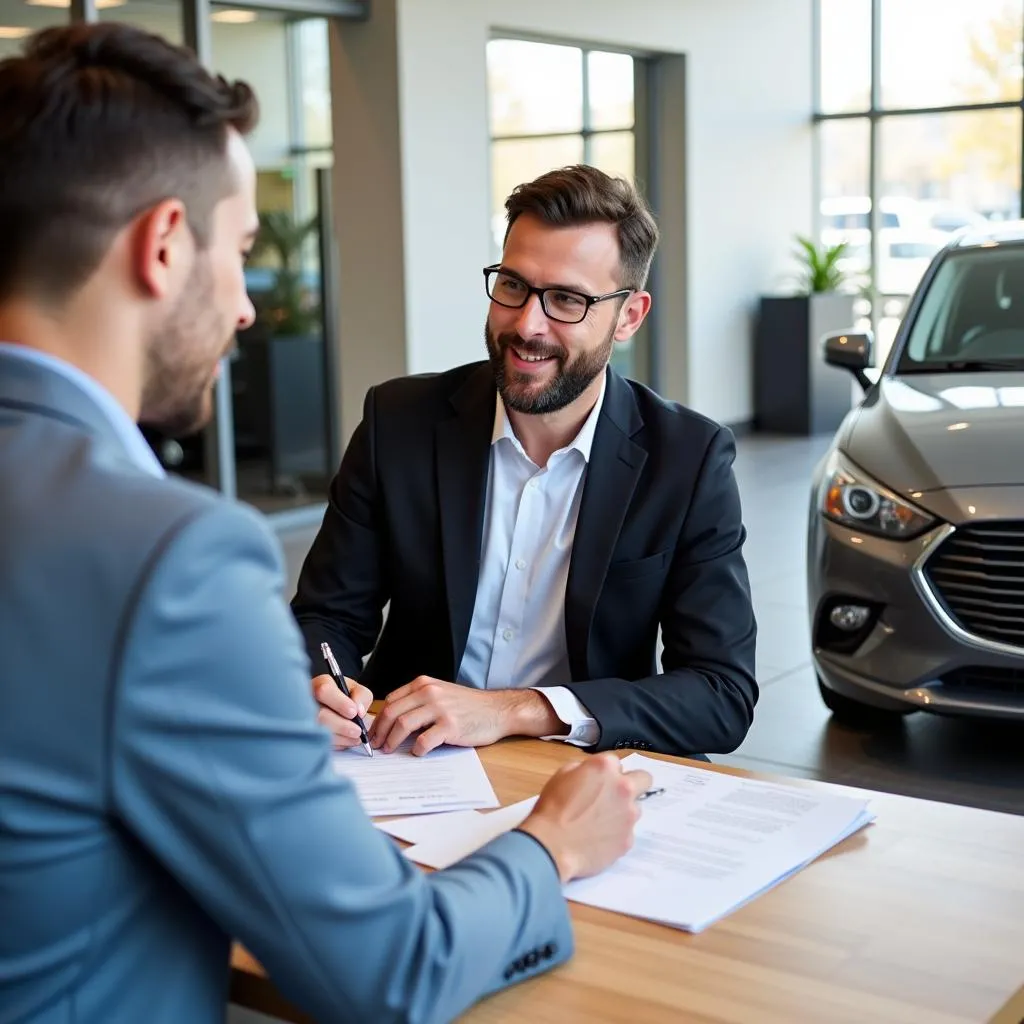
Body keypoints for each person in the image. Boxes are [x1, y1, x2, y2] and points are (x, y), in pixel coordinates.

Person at [0, 25, 653, 1024]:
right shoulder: (167, 561)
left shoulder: (683, 452)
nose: (249, 310)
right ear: (165, 245)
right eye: (244, 253)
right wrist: (552, 842)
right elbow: (391, 972)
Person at [294, 164, 758, 761]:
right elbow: (326, 615)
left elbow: (721, 694)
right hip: (404, 759)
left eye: (566, 299)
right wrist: (317, 685)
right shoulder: (399, 422)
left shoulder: (688, 459)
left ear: (629, 317)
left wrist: (517, 709)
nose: (526, 324)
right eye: (513, 286)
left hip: (575, 768)